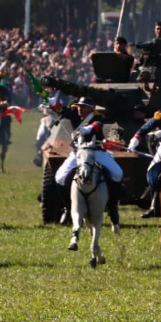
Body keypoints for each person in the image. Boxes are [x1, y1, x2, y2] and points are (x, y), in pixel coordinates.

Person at [54, 97, 123, 232]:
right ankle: (68, 208)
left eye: (84, 107)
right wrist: (51, 102)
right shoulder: (74, 114)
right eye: (79, 106)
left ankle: (113, 208)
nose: (80, 109)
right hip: (79, 152)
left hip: (96, 152)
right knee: (60, 177)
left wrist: (88, 129)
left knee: (118, 173)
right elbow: (61, 110)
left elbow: (97, 125)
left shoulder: (98, 117)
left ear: (90, 108)